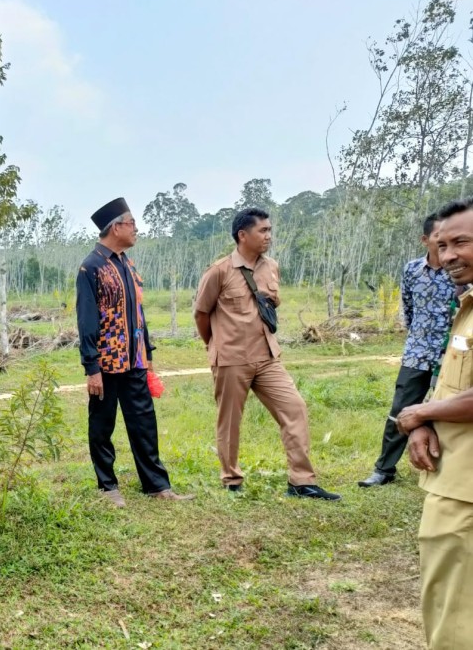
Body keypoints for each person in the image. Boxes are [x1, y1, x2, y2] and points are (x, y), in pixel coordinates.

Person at [194, 207, 340, 500]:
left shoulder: (271, 266)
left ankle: (301, 481)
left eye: (270, 230)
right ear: (242, 235)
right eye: (263, 231)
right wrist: (216, 345)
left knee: (294, 408)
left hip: (267, 357)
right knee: (230, 421)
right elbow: (201, 313)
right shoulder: (219, 271)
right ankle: (231, 480)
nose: (269, 236)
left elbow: (271, 305)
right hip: (232, 358)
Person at [75, 197, 192, 508]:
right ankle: (107, 486)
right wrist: (91, 366)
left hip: (135, 359)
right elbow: (87, 320)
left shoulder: (126, 262)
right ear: (117, 227)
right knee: (102, 425)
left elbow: (137, 312)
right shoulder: (92, 267)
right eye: (132, 224)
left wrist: (148, 352)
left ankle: (156, 485)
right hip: (107, 362)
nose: (136, 230)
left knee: (143, 422)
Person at [397, 199, 473, 649]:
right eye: (442, 245)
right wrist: (428, 417)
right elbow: (454, 382)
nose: (448, 256)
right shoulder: (465, 305)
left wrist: (420, 413)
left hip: (463, 491)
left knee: (454, 608)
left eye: (461, 242)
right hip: (452, 472)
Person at [359, 213, 454, 488]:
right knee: (400, 411)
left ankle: (446, 470)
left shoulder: (460, 270)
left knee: (447, 410)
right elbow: (408, 308)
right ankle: (384, 469)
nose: (446, 243)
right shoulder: (412, 269)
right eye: (440, 237)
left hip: (452, 354)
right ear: (425, 240)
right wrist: (418, 338)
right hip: (417, 352)